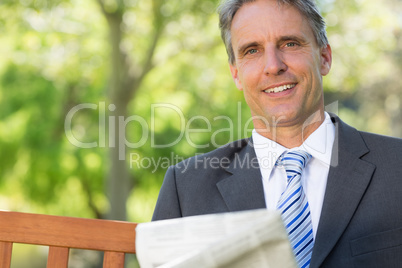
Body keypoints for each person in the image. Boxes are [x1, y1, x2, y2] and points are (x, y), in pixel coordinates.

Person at [152, 0, 402, 267]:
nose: (273, 65)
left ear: (325, 58)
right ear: (236, 74)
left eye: (290, 44)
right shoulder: (186, 188)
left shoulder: (397, 166)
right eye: (252, 50)